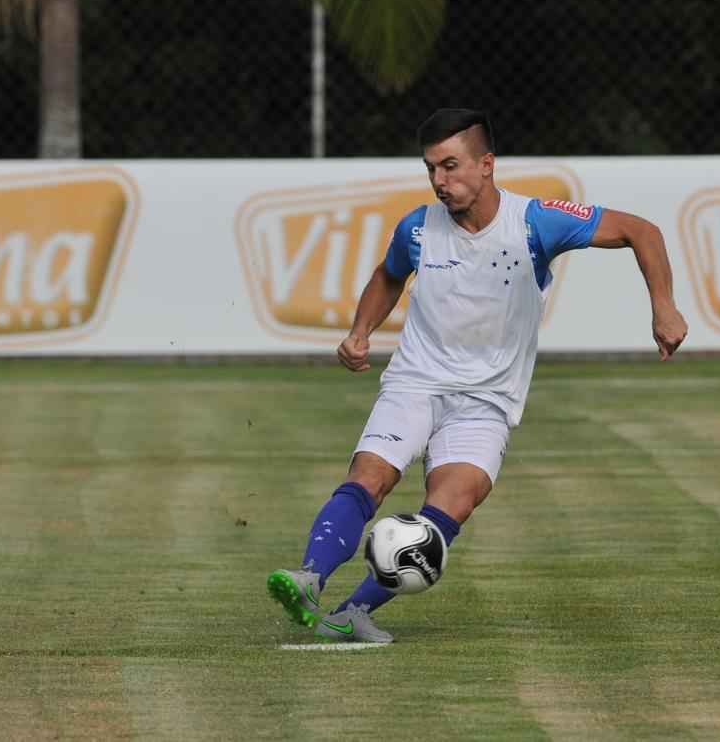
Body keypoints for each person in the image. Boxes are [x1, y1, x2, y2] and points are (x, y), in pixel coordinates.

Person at [267, 108, 688, 643]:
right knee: (370, 477)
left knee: (450, 507)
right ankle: (309, 578)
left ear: (486, 165)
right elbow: (388, 275)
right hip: (415, 383)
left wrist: (664, 308)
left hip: (487, 401)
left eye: (451, 166)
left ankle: (355, 612)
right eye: (431, 170)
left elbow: (640, 231)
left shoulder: (535, 221)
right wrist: (360, 330)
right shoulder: (417, 228)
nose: (440, 181)